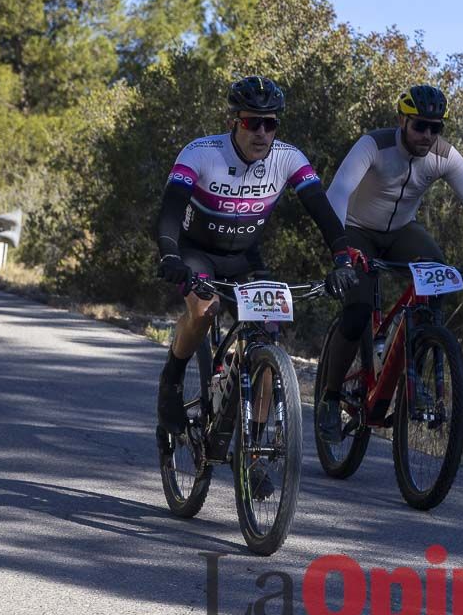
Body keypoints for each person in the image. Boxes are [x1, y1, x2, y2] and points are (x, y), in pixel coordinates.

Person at [153, 75, 359, 457]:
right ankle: (173, 378)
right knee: (204, 309)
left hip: (245, 256)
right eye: (252, 122)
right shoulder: (201, 153)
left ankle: (255, 452)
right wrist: (169, 255)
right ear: (234, 120)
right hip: (196, 251)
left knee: (266, 335)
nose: (262, 132)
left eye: (271, 123)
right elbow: (169, 211)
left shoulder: (287, 158)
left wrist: (342, 258)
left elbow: (322, 212)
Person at [316, 84, 463, 442]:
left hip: (401, 231)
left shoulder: (444, 156)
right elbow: (338, 192)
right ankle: (330, 397)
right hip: (357, 230)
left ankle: (413, 378)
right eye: (420, 125)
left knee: (437, 274)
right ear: (402, 120)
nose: (427, 135)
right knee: (358, 308)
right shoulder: (374, 145)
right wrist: (342, 249)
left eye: (435, 128)